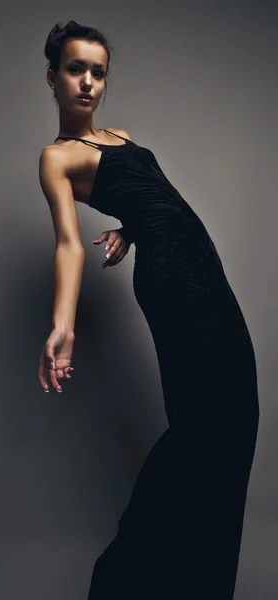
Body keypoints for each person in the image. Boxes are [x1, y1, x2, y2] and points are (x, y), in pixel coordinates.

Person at [37, 20, 259, 599]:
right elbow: (66, 242)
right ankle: (123, 581)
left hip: (203, 268)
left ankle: (200, 584)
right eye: (74, 69)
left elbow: (152, 200)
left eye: (97, 71)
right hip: (172, 280)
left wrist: (128, 228)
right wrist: (63, 326)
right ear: (52, 77)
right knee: (206, 422)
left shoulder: (121, 135)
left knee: (237, 413)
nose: (87, 82)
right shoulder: (57, 157)